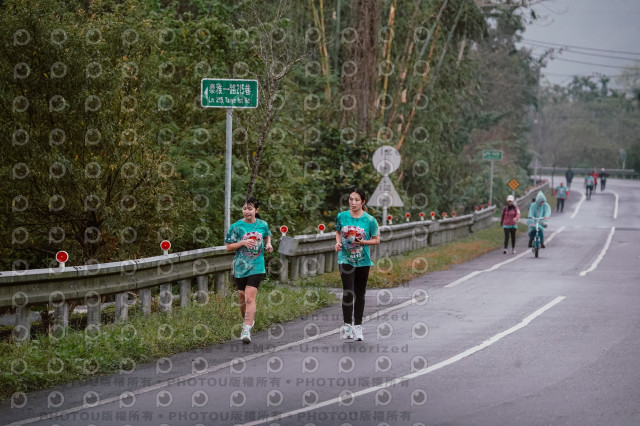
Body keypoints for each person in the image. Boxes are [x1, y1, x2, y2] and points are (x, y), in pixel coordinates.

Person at [225, 196, 273, 344]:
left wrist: (269, 245)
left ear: (256, 210)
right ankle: (246, 321)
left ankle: (246, 328)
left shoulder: (262, 224)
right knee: (241, 298)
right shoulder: (236, 227)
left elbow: (267, 236)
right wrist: (242, 242)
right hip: (240, 266)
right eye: (245, 208)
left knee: (250, 297)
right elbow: (228, 247)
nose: (247, 211)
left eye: (250, 209)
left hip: (257, 265)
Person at [335, 188, 380, 341]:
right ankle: (347, 327)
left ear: (363, 202)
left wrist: (363, 242)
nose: (352, 202)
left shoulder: (370, 220)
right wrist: (338, 243)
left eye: (356, 200)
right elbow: (338, 231)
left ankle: (358, 327)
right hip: (345, 258)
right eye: (350, 199)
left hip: (363, 260)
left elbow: (376, 239)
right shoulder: (341, 216)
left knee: (360, 293)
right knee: (348, 291)